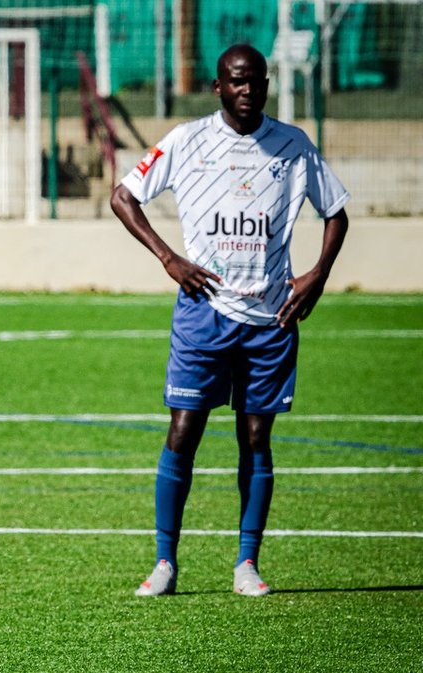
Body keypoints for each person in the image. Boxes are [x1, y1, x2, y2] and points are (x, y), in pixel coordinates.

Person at [110, 44, 350, 597]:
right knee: (183, 430)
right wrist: (168, 257)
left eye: (256, 82)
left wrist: (317, 273)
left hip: (271, 316)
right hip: (204, 313)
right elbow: (124, 196)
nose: (247, 90)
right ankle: (165, 563)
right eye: (236, 82)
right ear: (217, 87)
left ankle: (247, 563)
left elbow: (335, 212)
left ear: (266, 85)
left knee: (256, 436)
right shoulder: (187, 140)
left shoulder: (293, 146)